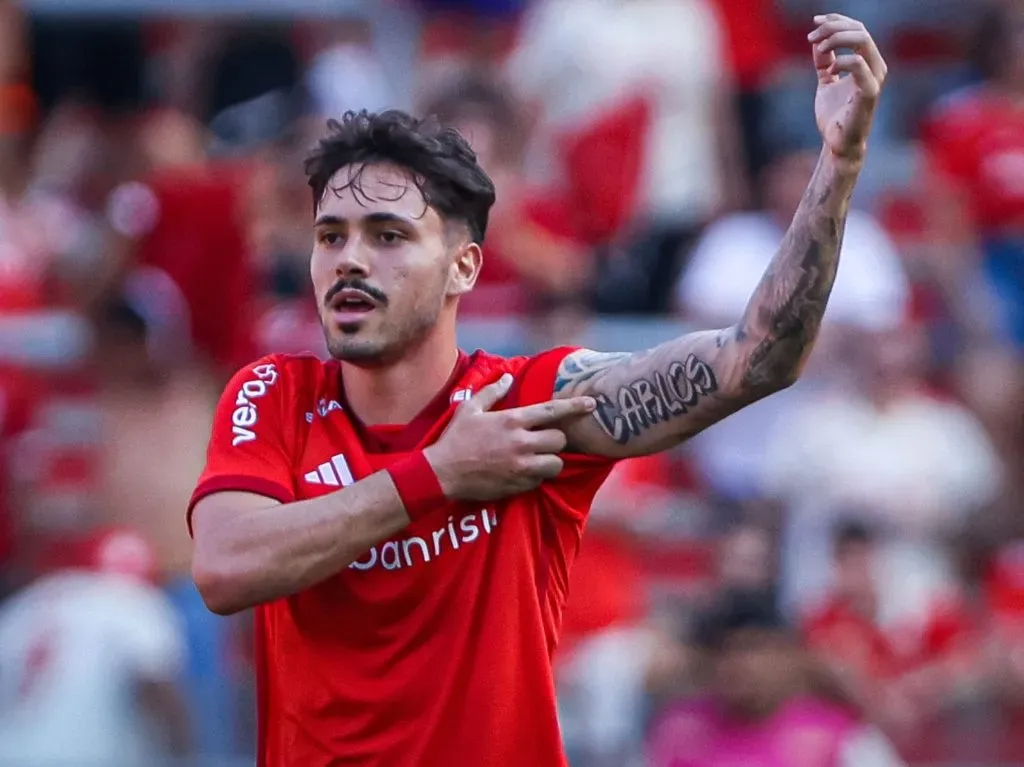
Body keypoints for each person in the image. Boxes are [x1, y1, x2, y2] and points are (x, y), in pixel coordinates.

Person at [188, 14, 887, 767]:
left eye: (388, 235)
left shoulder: (532, 404)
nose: (349, 260)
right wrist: (439, 474)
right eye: (331, 235)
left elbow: (757, 358)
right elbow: (226, 569)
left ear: (463, 266)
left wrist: (837, 164)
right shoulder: (276, 394)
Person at [646, 590, 906, 767]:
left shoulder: (836, 736)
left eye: (753, 649)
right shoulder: (679, 728)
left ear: (788, 657)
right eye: (725, 651)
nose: (738, 664)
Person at [0, 527, 191, 766]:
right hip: (83, 757)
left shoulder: (26, 603)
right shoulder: (134, 601)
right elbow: (157, 686)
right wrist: (183, 754)